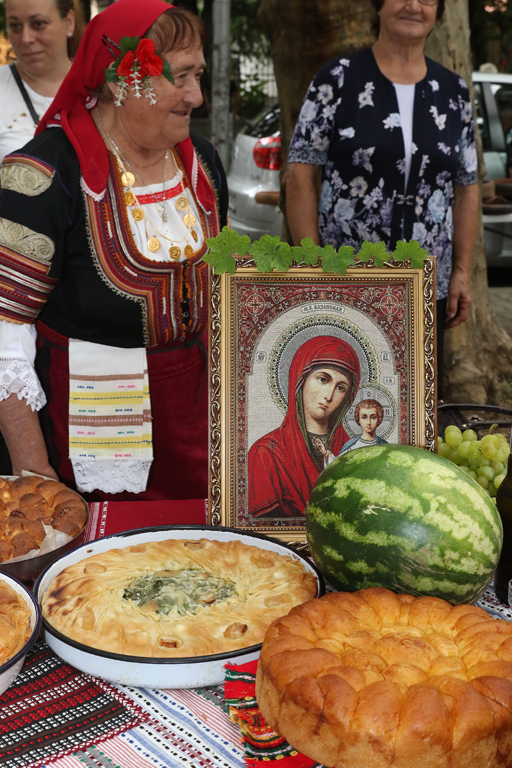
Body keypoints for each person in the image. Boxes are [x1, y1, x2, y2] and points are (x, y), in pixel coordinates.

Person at [0, 0, 228, 501]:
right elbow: (5, 332)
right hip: (91, 431)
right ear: (125, 80)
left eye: (198, 75)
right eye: (182, 76)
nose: (196, 95)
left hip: (200, 423)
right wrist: (37, 481)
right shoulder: (42, 177)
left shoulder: (203, 165)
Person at [286, 0, 479, 400]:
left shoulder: (453, 91)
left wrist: (460, 271)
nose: (413, 5)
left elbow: (467, 186)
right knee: (346, 398)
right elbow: (301, 174)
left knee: (416, 404)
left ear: (439, 13)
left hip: (426, 284)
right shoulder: (337, 79)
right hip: (347, 278)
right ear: (378, 6)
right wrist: (312, 264)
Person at [248, 336, 360, 518]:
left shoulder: (353, 450)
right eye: (323, 379)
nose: (329, 395)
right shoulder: (267, 453)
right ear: (301, 379)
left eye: (341, 387)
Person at [0, 0, 85, 163]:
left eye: (38, 23)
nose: (26, 39)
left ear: (69, 23)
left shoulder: (100, 85)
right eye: (15, 26)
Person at [317, 397, 388, 466]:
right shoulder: (352, 445)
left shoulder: (385, 446)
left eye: (373, 417)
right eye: (364, 417)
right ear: (358, 420)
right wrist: (325, 453)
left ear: (379, 419)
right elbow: (338, 465)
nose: (368, 422)